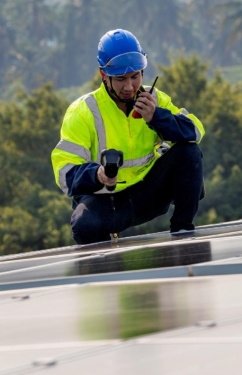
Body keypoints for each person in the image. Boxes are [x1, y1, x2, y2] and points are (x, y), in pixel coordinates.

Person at [51, 29, 205, 245]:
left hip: (148, 195)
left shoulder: (154, 99)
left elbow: (196, 132)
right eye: (121, 79)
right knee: (85, 224)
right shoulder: (82, 112)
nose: (129, 87)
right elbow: (64, 172)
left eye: (135, 76)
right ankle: (104, 263)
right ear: (104, 75)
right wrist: (98, 175)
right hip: (108, 201)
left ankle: (183, 234)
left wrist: (157, 118)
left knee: (189, 152)